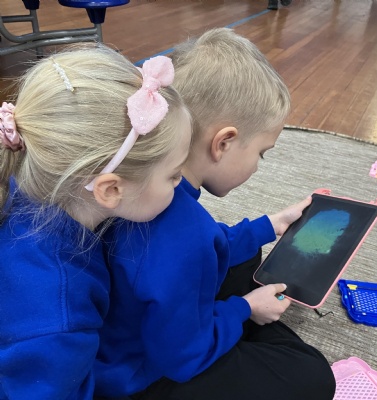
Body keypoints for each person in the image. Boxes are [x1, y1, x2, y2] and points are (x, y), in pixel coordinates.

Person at [95, 28, 336, 400]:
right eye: (261, 153)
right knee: (312, 374)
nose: (258, 164)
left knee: (245, 253)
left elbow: (206, 244)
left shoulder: (146, 188)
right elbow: (182, 358)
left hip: (130, 335)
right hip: (144, 378)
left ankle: (236, 323)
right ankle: (242, 327)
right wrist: (244, 310)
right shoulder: (185, 234)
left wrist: (270, 225)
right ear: (223, 142)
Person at [0, 44, 191, 400]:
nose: (181, 186)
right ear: (110, 189)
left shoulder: (28, 176)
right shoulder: (60, 320)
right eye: (174, 175)